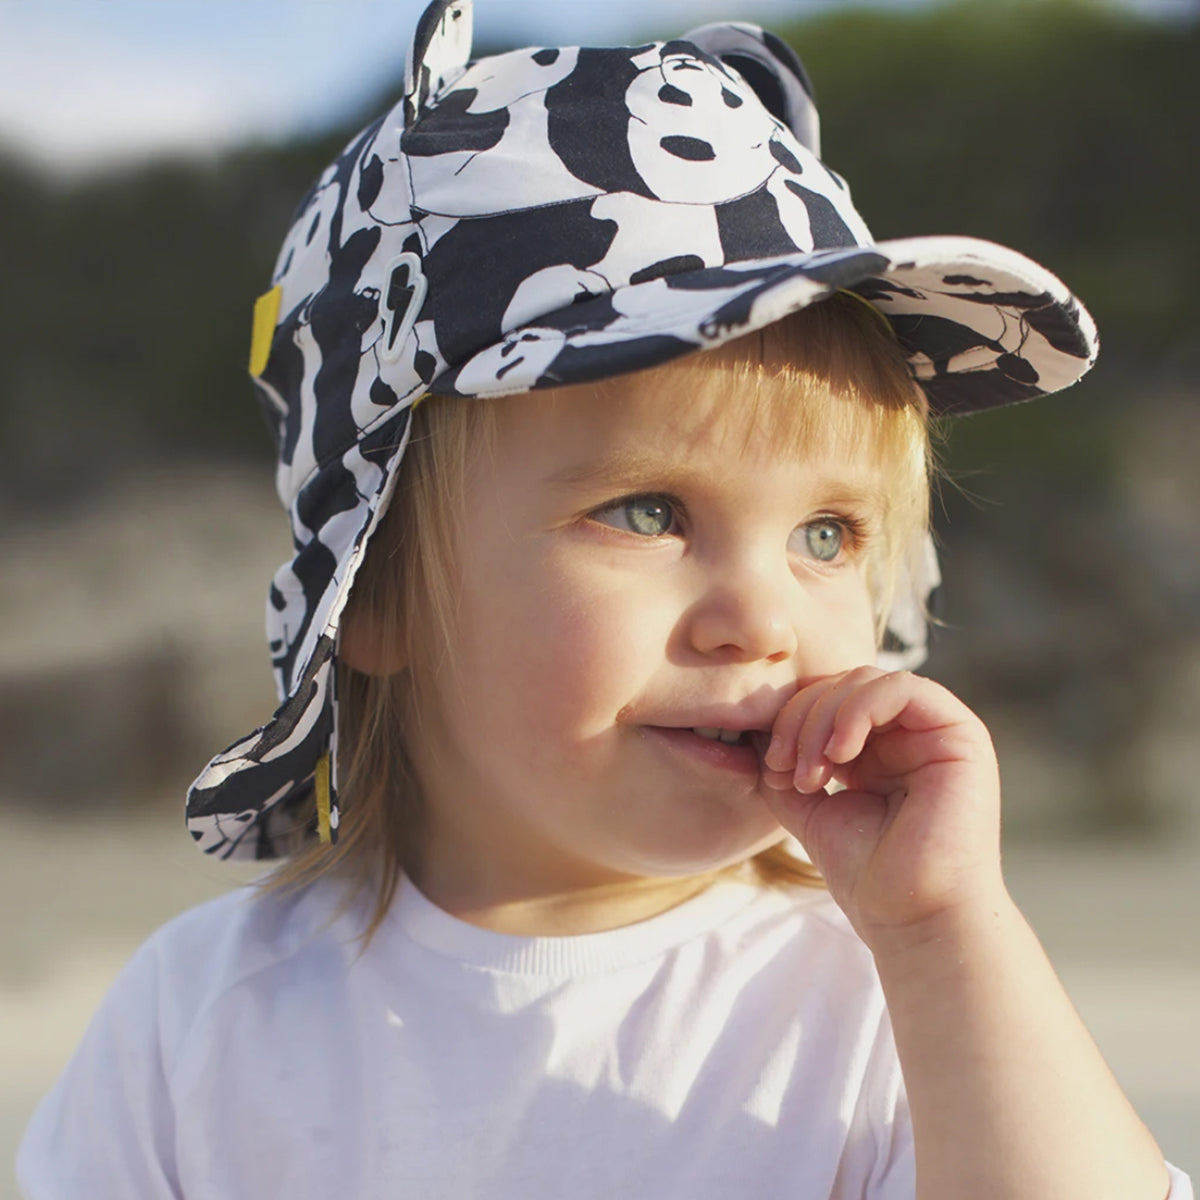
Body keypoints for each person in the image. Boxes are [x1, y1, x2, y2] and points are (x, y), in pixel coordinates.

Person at [18, 2, 1192, 1197]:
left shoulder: (885, 1008)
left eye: (827, 535)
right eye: (649, 513)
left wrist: (948, 936)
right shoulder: (202, 1028)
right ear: (369, 597)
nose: (762, 617)